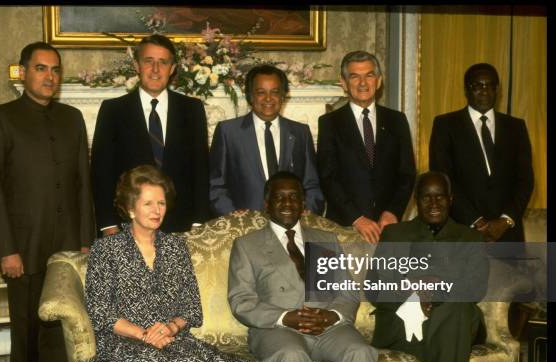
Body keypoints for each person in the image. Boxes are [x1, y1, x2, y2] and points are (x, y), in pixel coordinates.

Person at [71, 165, 262, 362]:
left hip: (173, 339)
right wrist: (144, 334)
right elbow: (101, 312)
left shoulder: (176, 248)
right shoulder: (106, 249)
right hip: (124, 343)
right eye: (148, 203)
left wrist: (170, 328)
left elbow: (191, 307)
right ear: (131, 208)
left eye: (161, 203)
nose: (157, 210)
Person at [0, 41, 95, 362]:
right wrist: (6, 249)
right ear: (24, 72)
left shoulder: (72, 118)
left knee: (59, 327)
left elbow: (82, 183)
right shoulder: (0, 118)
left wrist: (85, 240)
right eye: (41, 68)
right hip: (23, 248)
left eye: (55, 69)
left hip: (66, 247)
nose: (49, 76)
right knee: (26, 330)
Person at [227, 171, 381, 362]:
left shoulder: (325, 239)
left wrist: (332, 315)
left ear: (303, 203)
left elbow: (347, 291)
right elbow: (241, 300)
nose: (287, 203)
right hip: (277, 330)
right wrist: (285, 317)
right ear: (267, 205)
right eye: (280, 197)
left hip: (329, 327)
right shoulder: (248, 245)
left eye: (293, 197)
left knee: (361, 352)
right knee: (292, 356)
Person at [366, 171, 488, 362]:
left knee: (454, 310)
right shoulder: (395, 234)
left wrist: (435, 291)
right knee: (452, 346)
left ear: (451, 199)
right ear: (416, 200)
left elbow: (476, 288)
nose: (434, 203)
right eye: (426, 197)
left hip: (456, 317)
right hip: (404, 325)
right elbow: (374, 288)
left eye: (440, 197)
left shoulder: (469, 237)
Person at [91, 34, 210, 234]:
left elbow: (201, 170)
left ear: (172, 69)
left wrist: (198, 224)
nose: (155, 69)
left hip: (181, 227)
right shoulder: (113, 110)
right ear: (137, 66)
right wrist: (108, 225)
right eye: (149, 61)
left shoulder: (192, 109)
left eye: (163, 62)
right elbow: (101, 173)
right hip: (128, 225)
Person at [317, 50, 416, 244]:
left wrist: (392, 212)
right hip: (344, 227)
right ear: (344, 83)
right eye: (355, 76)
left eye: (369, 75)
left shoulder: (397, 120)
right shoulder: (329, 123)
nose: (363, 83)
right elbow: (328, 177)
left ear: (378, 81)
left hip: (388, 227)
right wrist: (357, 218)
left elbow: (407, 173)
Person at [429, 63, 534, 242]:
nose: (484, 91)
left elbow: (525, 180)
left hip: (508, 235)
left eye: (489, 85)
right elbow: (443, 179)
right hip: (462, 232)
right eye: (477, 85)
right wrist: (476, 222)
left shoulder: (516, 127)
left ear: (497, 89)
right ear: (466, 89)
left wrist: (505, 221)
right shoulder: (445, 125)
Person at [209, 64, 324, 216]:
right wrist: (233, 216)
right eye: (261, 92)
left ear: (283, 96)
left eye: (275, 92)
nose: (268, 99)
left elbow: (311, 183)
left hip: (292, 226)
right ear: (250, 95)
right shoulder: (228, 132)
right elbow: (216, 185)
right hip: (244, 228)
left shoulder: (300, 132)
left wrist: (307, 211)